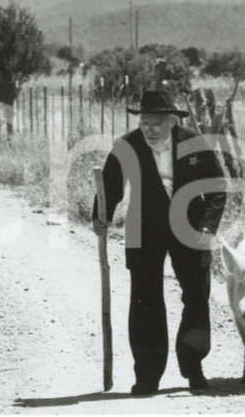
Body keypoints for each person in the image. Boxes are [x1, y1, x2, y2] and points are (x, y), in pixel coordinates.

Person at [93, 89, 227, 395]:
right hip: (144, 229)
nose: (148, 129)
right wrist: (100, 218)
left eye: (156, 123)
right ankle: (147, 376)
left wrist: (208, 226)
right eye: (144, 122)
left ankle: (193, 368)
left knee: (196, 297)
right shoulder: (126, 145)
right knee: (145, 300)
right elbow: (110, 188)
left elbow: (218, 187)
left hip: (190, 227)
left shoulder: (193, 142)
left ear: (171, 121)